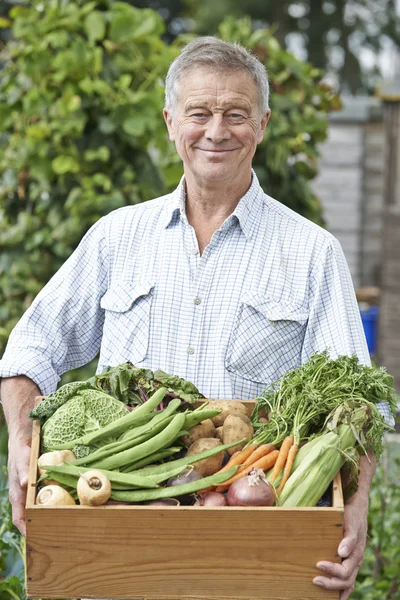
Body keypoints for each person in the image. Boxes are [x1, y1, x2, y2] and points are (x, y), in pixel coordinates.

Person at [0, 36, 392, 600]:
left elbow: (360, 404)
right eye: (199, 113)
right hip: (117, 550)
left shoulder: (311, 252)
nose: (216, 131)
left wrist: (353, 511)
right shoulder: (117, 237)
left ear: (261, 125)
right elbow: (30, 349)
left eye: (236, 114)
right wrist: (22, 448)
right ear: (169, 122)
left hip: (253, 556)